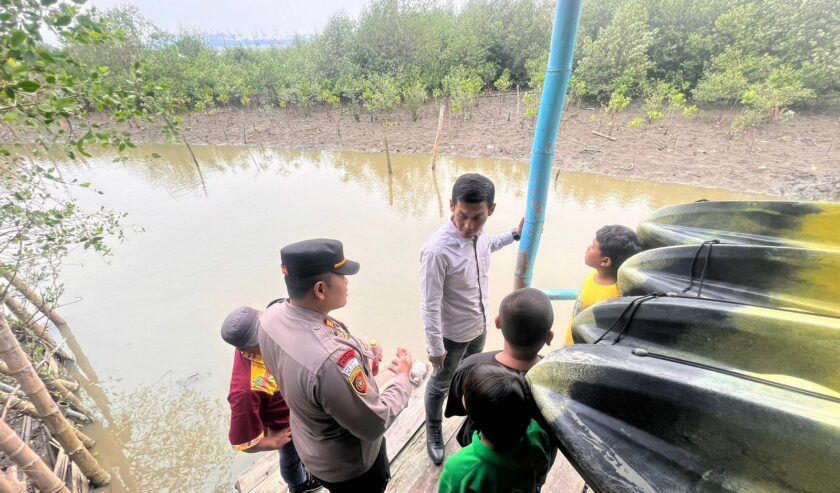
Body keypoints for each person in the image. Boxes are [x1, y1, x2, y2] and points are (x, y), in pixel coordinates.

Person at [259, 238, 414, 493]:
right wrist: (403, 378)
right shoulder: (332, 363)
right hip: (350, 468)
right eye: (342, 275)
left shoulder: (270, 318)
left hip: (310, 445)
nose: (347, 281)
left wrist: (362, 359)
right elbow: (375, 423)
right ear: (320, 289)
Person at [420, 173, 523, 465]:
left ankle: (474, 420)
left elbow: (487, 245)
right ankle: (434, 430)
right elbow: (428, 305)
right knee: (440, 383)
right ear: (452, 205)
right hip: (451, 335)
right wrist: (435, 346)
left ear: (491, 210)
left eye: (477, 218)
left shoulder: (480, 234)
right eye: (462, 216)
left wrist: (513, 236)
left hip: (479, 325)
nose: (467, 225)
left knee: (473, 374)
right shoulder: (437, 251)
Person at [220, 306, 321, 493]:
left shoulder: (269, 339)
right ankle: (299, 486)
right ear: (243, 348)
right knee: (291, 458)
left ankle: (309, 468)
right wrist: (272, 442)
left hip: (298, 408)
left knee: (309, 447)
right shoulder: (245, 389)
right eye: (260, 337)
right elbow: (243, 440)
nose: (270, 335)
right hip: (285, 425)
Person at [444, 287, 554, 447]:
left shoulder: (470, 368)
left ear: (497, 322)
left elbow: (461, 407)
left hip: (481, 447)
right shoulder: (556, 378)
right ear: (549, 337)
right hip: (533, 455)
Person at [438, 364, 554, 493]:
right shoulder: (537, 434)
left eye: (465, 394)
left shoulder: (460, 469)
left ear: (475, 417)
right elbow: (541, 471)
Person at [565, 224, 643, 345]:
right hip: (571, 342)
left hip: (580, 349)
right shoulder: (593, 275)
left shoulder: (614, 297)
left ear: (605, 261)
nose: (587, 248)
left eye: (592, 247)